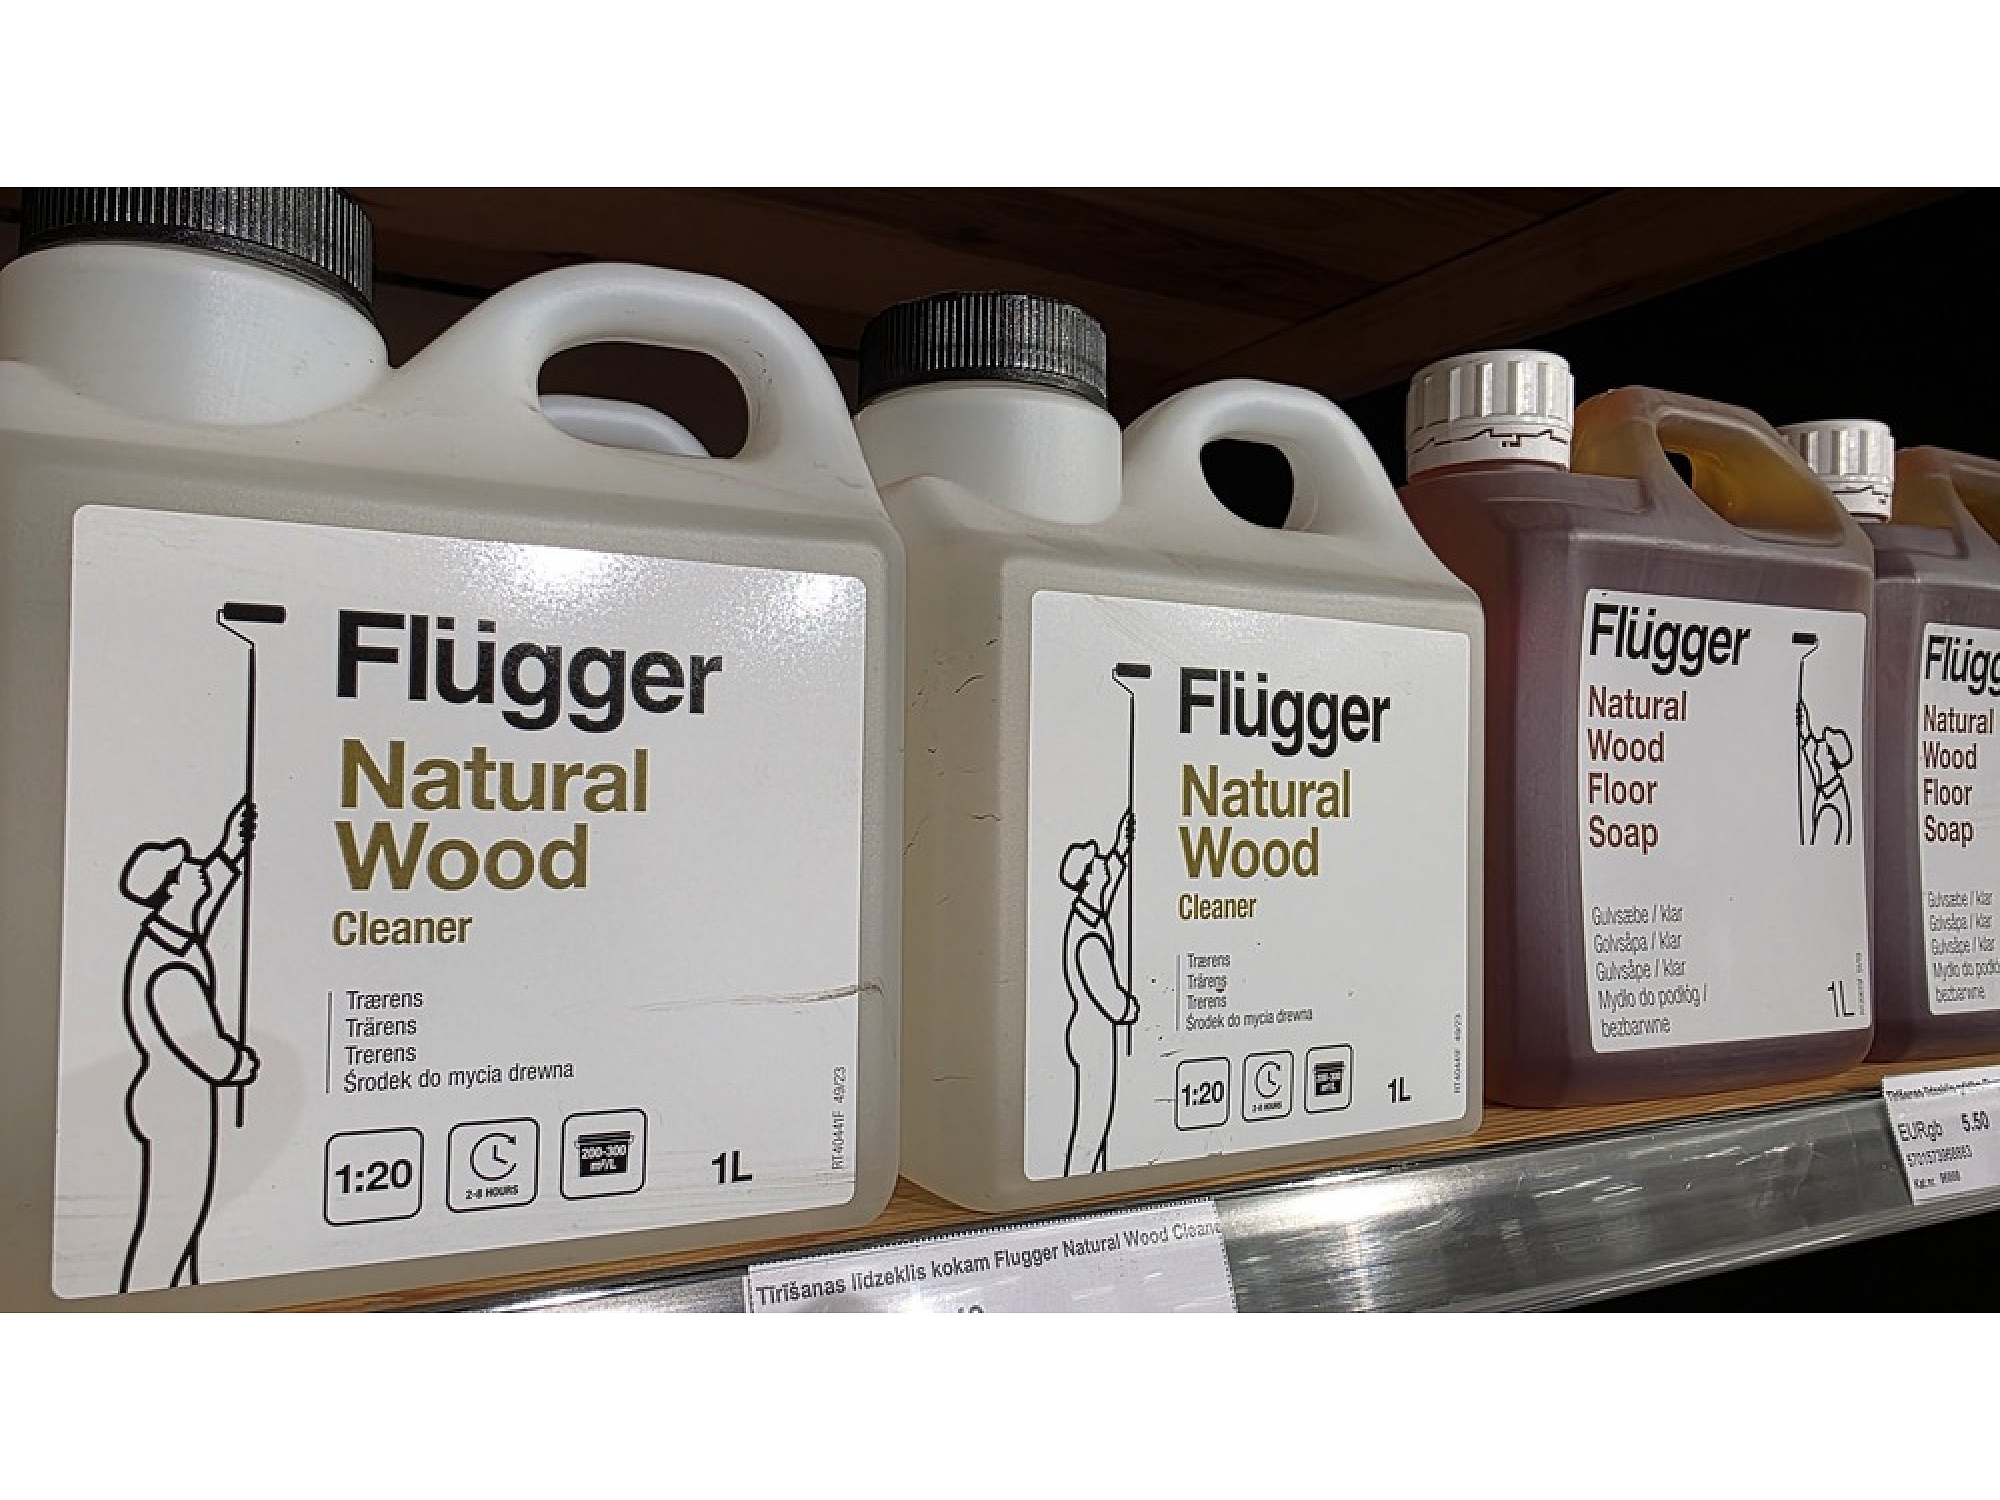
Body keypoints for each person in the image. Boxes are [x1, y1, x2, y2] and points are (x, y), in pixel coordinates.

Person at [118, 796, 259, 1293]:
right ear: (173, 888)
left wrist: (230, 848)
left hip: (173, 1100)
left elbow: (207, 895)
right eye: (187, 865)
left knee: (182, 1226)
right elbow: (210, 1055)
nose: (197, 864)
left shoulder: (171, 935)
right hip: (177, 1107)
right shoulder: (170, 970)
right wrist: (243, 1063)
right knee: (170, 1231)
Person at [1059, 809, 1138, 1174]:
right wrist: (1131, 1008)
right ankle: (1076, 1183)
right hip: (1093, 1038)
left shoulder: (1089, 911)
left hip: (1090, 1033)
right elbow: (1111, 1001)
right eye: (1098, 859)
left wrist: (1121, 846)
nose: (1104, 858)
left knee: (1097, 1122)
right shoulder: (1088, 939)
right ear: (1089, 877)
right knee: (1092, 1126)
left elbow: (1109, 882)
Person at [1796, 700, 1854, 846]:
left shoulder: (1831, 808)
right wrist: (1805, 729)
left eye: (1823, 742)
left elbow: (1817, 853)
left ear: (1829, 756)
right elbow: (1811, 748)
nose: (1819, 742)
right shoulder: (1828, 786)